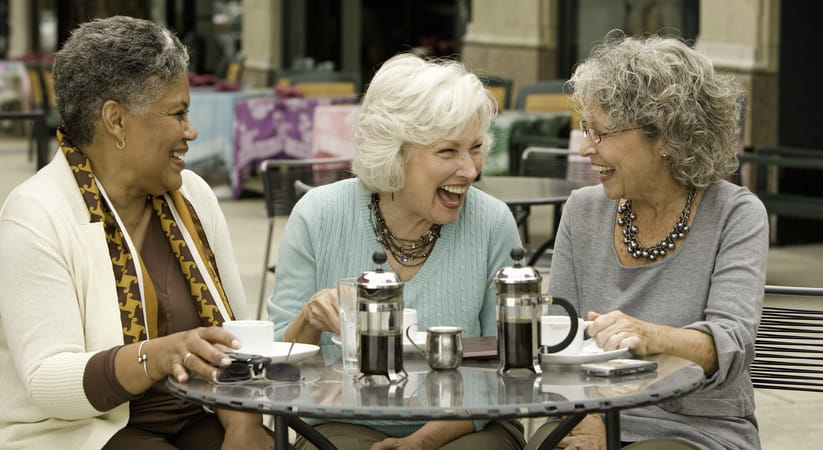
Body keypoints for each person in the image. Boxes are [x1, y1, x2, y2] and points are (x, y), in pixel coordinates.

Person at [0, 16, 272, 449]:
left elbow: (235, 337)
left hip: (198, 418)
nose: (191, 132)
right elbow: (48, 380)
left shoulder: (194, 196)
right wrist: (157, 356)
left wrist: (242, 423)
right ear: (116, 120)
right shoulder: (36, 215)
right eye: (178, 113)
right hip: (81, 433)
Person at [268, 53, 526, 449]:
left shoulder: (493, 223)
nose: (470, 170)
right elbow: (278, 371)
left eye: (475, 148)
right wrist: (309, 319)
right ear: (394, 152)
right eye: (447, 152)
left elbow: (507, 373)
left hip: (468, 423)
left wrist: (421, 442)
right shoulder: (317, 215)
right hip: (343, 419)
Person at [527, 31, 768, 450]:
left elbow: (730, 344)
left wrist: (650, 336)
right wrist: (590, 424)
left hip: (697, 429)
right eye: (586, 129)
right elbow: (559, 342)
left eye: (600, 133)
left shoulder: (735, 214)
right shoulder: (583, 210)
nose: (585, 149)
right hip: (587, 418)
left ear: (665, 138)